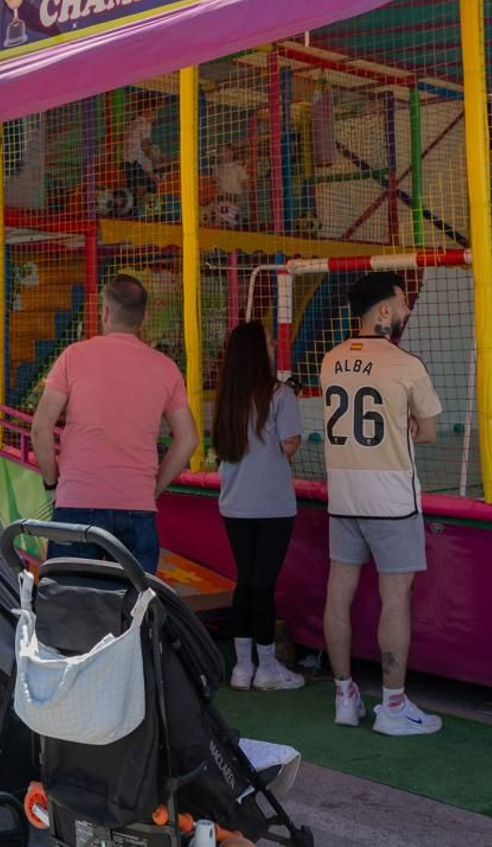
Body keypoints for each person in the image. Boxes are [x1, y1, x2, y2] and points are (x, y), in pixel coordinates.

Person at [319, 272, 444, 737]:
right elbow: (428, 432)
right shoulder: (405, 364)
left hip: (344, 496)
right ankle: (392, 706)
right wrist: (407, 423)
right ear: (385, 310)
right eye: (403, 302)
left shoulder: (331, 360)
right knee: (396, 601)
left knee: (338, 595)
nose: (407, 310)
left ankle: (344, 697)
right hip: (391, 500)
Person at [31, 274, 198, 575]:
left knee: (72, 607)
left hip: (77, 501)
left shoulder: (73, 356)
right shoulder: (166, 368)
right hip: (137, 504)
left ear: (105, 311)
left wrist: (52, 482)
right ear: (144, 316)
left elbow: (40, 428)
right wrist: (154, 488)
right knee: (131, 611)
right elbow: (187, 440)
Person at [214, 321, 305, 691]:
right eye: (268, 341)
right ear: (257, 351)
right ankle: (266, 667)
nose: (272, 345)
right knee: (264, 585)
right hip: (272, 505)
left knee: (246, 582)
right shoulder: (280, 394)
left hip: (235, 504)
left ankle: (241, 667)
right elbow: (290, 445)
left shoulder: (227, 399)